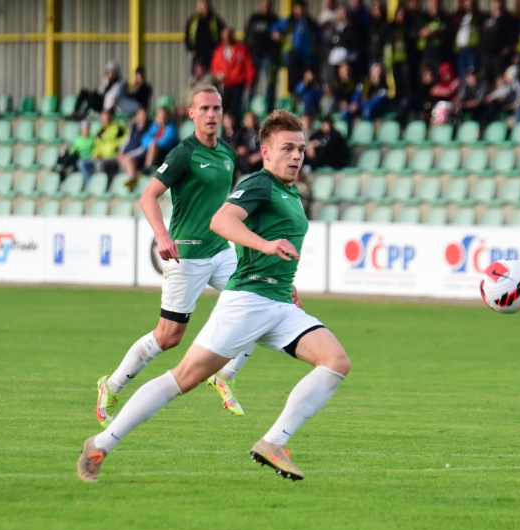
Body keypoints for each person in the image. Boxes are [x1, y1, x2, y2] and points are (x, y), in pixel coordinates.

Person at [79, 109, 351, 485]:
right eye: (287, 148)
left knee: (336, 361)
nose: (296, 156)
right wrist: (265, 246)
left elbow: (270, 239)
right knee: (183, 379)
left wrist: (283, 278)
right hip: (247, 303)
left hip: (278, 303)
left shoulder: (290, 190)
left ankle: (274, 442)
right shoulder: (259, 183)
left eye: (301, 149)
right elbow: (221, 221)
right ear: (266, 152)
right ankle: (100, 444)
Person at [92, 85, 249, 432]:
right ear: (191, 114)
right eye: (204, 108)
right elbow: (148, 196)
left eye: (217, 108)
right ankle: (112, 386)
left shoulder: (227, 153)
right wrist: (162, 235)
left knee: (258, 300)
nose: (212, 114)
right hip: (187, 255)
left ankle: (225, 375)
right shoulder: (183, 153)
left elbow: (224, 207)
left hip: (221, 251)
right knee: (168, 337)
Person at [272, 0, 319, 93]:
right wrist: (275, 33)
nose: (300, 10)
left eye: (302, 8)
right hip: (293, 58)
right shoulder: (289, 22)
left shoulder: (310, 23)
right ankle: (293, 103)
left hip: (307, 59)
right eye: (298, 8)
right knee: (293, 85)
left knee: (308, 84)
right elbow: (274, 28)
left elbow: (318, 37)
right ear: (294, 9)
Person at [211, 27, 256, 121]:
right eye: (224, 37)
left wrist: (250, 81)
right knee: (224, 108)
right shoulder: (219, 51)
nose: (226, 39)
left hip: (238, 83)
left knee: (235, 108)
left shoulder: (241, 49)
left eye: (228, 36)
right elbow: (215, 66)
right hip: (225, 84)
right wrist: (218, 75)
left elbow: (249, 66)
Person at [245, 0, 280, 112]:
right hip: (254, 56)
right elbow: (247, 36)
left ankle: (270, 108)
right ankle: (249, 108)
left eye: (268, 3)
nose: (266, 5)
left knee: (270, 84)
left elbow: (278, 39)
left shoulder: (274, 19)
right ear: (260, 4)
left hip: (268, 57)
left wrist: (274, 54)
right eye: (264, 3)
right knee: (251, 84)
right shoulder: (253, 19)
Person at [481, 0, 519, 87]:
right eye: (494, 2)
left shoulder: (507, 18)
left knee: (500, 79)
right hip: (486, 54)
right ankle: (488, 98)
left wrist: (508, 48)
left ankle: (499, 98)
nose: (496, 4)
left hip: (499, 55)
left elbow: (512, 35)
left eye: (498, 1)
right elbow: (481, 35)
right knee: (487, 80)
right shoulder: (486, 17)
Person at [186, 0, 225, 74]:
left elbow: (223, 35)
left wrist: (218, 51)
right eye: (203, 6)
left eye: (206, 6)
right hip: (197, 55)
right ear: (199, 6)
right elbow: (187, 36)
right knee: (197, 80)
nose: (205, 8)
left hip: (212, 56)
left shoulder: (215, 20)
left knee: (211, 79)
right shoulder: (193, 21)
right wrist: (190, 50)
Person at [112, 107, 151, 181]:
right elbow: (126, 141)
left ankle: (132, 181)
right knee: (111, 161)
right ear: (137, 116)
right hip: (127, 154)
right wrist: (121, 152)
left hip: (139, 157)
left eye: (145, 115)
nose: (144, 117)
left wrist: (128, 154)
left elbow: (143, 148)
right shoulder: (134, 127)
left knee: (128, 159)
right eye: (142, 115)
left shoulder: (149, 128)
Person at [90, 110, 129, 180]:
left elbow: (126, 138)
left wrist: (116, 145)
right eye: (104, 118)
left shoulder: (118, 127)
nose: (106, 119)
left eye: (107, 117)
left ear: (111, 117)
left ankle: (107, 183)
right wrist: (95, 153)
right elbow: (97, 145)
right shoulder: (100, 131)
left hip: (115, 156)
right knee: (84, 163)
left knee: (100, 164)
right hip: (103, 156)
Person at [417, 0, 450, 75]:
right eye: (433, 2)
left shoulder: (445, 18)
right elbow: (412, 31)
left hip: (440, 54)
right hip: (425, 54)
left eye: (437, 2)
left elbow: (449, 32)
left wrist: (435, 32)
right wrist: (421, 32)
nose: (435, 5)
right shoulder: (423, 17)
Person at [452, 0, 483, 78]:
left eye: (471, 2)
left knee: (471, 74)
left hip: (471, 49)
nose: (469, 3)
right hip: (460, 49)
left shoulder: (478, 16)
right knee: (462, 74)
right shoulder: (459, 16)